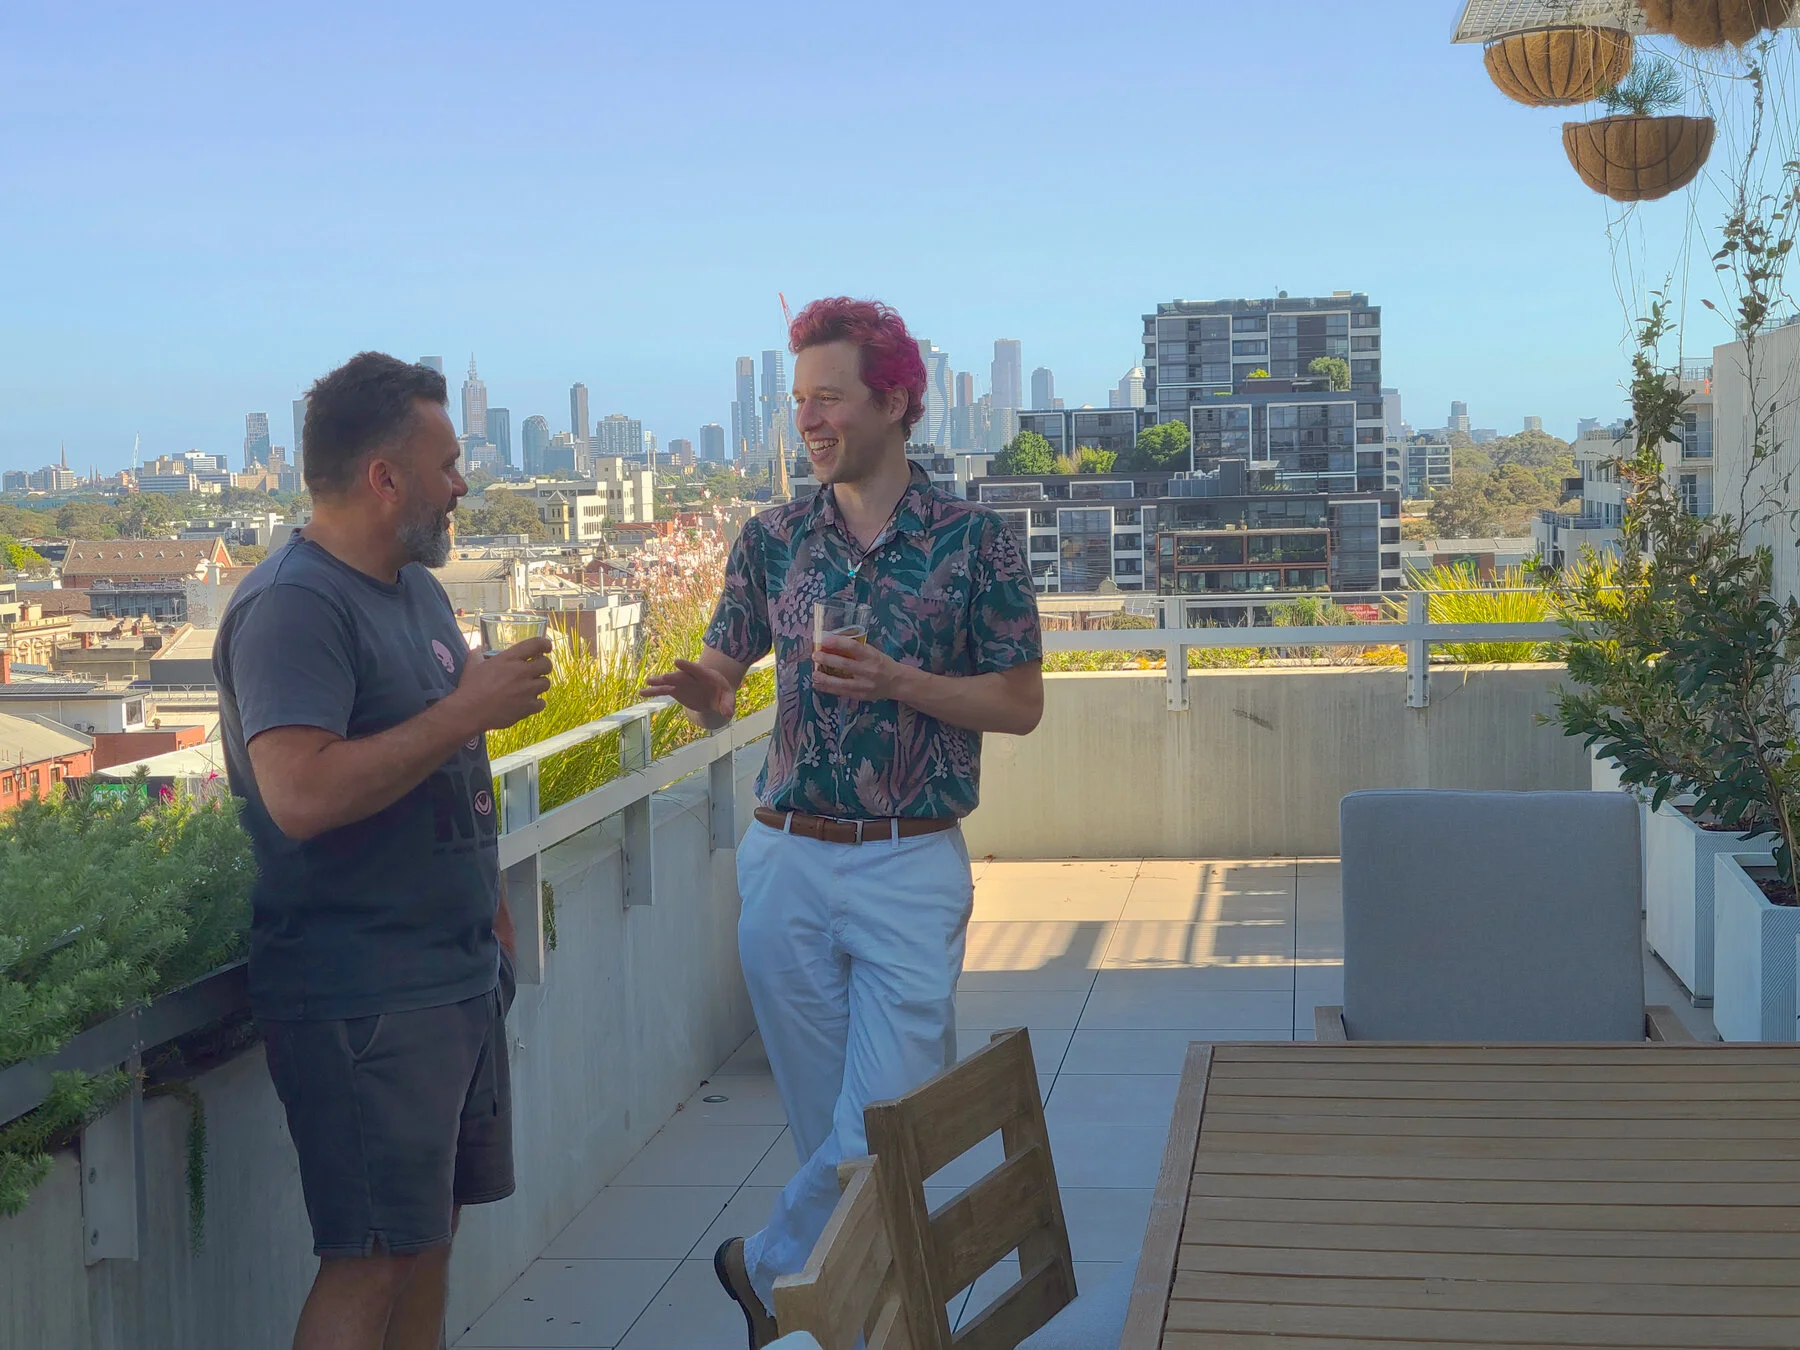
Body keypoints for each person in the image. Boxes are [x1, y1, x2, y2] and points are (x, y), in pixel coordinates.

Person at [640, 297, 1044, 1348]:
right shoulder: (771, 539)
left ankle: (765, 1274)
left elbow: (1019, 703)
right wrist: (702, 686)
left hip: (909, 868)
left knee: (882, 1129)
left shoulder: (977, 544)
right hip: (785, 868)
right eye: (798, 402)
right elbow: (728, 678)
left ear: (897, 400)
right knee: (834, 1135)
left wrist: (905, 681)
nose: (808, 421)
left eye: (829, 398)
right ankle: (873, 1325)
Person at [213, 351, 553, 1350]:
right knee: (370, 1258)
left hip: (451, 976)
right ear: (384, 478)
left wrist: (490, 913)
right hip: (361, 995)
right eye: (447, 464)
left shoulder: (413, 591)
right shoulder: (294, 607)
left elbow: (450, 763)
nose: (462, 485)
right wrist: (465, 713)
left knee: (428, 1241)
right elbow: (302, 794)